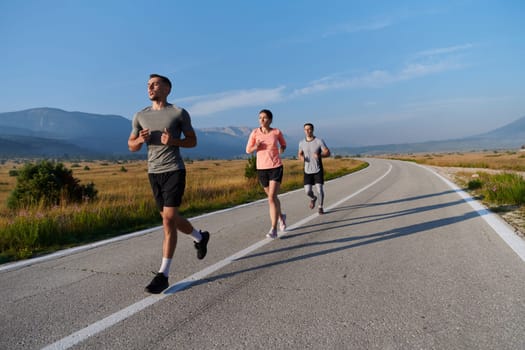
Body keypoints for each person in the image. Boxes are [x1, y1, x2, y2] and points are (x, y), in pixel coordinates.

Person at [128, 73, 210, 294]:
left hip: (174, 169)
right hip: (153, 172)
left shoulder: (178, 113)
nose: (150, 88)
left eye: (155, 85)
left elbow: (192, 141)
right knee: (168, 218)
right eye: (148, 85)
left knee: (169, 219)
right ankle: (200, 237)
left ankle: (163, 274)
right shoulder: (140, 116)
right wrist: (140, 140)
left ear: (167, 89)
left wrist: (173, 141)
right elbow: (131, 146)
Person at [245, 109, 287, 239]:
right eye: (260, 118)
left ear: (270, 120)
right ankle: (281, 216)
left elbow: (283, 144)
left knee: (271, 198)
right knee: (272, 197)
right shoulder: (255, 133)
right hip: (261, 169)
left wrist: (282, 148)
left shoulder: (276, 132)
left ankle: (273, 229)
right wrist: (256, 146)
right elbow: (248, 150)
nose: (261, 120)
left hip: (275, 167)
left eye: (264, 118)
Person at [298, 122, 331, 214]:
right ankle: (313, 198)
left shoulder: (319, 141)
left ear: (313, 130)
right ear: (304, 131)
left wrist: (320, 155)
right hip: (307, 170)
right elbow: (299, 153)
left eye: (309, 129)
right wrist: (301, 157)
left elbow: (328, 153)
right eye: (306, 129)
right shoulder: (301, 143)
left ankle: (320, 207)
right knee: (307, 191)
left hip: (318, 169)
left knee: (319, 189)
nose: (307, 131)